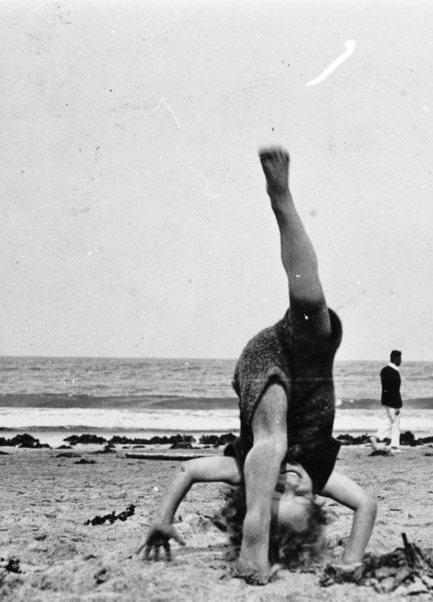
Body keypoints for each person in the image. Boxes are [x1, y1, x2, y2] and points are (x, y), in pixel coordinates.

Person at [138, 147, 377, 584]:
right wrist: (350, 561)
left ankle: (254, 549)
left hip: (262, 362)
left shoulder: (238, 468)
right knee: (310, 302)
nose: (288, 481)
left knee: (271, 441)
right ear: (317, 501)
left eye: (274, 495)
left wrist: (162, 517)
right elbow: (366, 504)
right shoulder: (321, 476)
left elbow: (188, 470)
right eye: (296, 492)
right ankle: (282, 199)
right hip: (307, 363)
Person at [370, 350, 403, 453]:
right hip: (393, 401)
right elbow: (395, 390)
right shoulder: (394, 372)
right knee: (394, 423)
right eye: (400, 358)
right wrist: (398, 405)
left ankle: (392, 444)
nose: (401, 361)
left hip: (386, 399)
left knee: (392, 422)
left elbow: (386, 388)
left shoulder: (384, 370)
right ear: (395, 358)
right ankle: (381, 440)